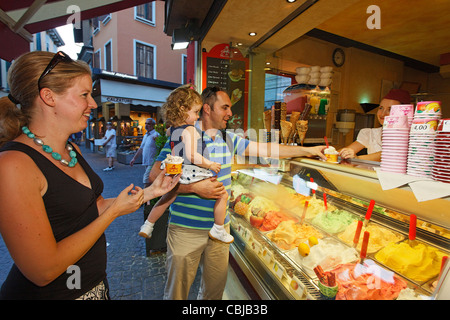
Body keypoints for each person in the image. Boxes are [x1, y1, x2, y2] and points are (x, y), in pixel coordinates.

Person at [0, 51, 180, 300]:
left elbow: (92, 208)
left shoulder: (70, 149)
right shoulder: (13, 164)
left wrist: (151, 192)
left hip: (94, 288)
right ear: (48, 97)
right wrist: (115, 212)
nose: (93, 104)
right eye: (84, 95)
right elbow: (43, 270)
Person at [148, 86, 327, 300]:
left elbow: (268, 149)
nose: (230, 113)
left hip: (219, 230)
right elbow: (154, 176)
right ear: (207, 109)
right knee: (177, 293)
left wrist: (309, 150)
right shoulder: (183, 136)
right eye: (225, 107)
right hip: (186, 230)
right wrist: (194, 187)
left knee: (213, 293)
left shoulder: (228, 140)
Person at [139, 85, 232, 244]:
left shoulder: (172, 129)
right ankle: (218, 228)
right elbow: (192, 155)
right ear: (183, 110)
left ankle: (148, 225)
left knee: (166, 198)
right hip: (191, 170)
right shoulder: (189, 130)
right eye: (196, 112)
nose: (197, 116)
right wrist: (209, 164)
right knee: (222, 194)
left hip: (175, 169)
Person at [339, 88, 411, 162]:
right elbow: (345, 152)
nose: (383, 114)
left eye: (390, 109)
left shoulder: (412, 138)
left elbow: (388, 154)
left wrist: (358, 159)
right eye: (381, 108)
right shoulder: (370, 134)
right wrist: (329, 152)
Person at [130, 118, 160, 187]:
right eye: (145, 123)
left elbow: (160, 147)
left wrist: (157, 141)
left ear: (153, 125)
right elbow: (141, 148)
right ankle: (154, 195)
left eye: (148, 124)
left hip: (152, 162)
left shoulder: (156, 135)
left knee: (146, 180)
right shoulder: (146, 135)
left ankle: (144, 195)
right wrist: (134, 159)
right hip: (146, 161)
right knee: (151, 180)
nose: (146, 125)